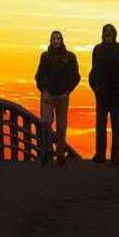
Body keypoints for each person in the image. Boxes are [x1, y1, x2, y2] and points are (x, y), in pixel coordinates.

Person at [87, 23, 119, 164]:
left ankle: (115, 156)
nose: (108, 36)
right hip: (102, 93)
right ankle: (100, 154)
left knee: (117, 126)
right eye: (106, 34)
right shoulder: (97, 50)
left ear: (114, 34)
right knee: (101, 125)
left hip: (118, 95)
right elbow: (94, 71)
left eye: (110, 33)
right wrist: (95, 87)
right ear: (103, 35)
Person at [34, 30, 80, 165]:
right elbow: (38, 75)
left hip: (62, 95)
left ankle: (60, 153)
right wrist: (43, 89)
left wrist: (67, 90)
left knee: (61, 126)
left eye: (58, 38)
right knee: (46, 122)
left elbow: (76, 77)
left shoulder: (70, 57)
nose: (56, 40)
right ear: (50, 40)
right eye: (53, 38)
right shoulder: (45, 56)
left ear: (61, 40)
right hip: (47, 93)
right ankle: (47, 151)